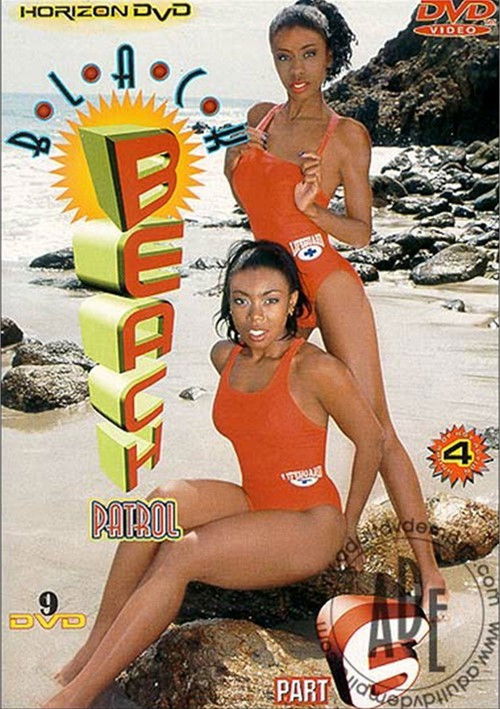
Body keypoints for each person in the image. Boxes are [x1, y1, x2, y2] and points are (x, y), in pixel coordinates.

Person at [43, 240, 383, 708]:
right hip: (254, 498)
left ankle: (78, 696)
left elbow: (372, 439)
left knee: (181, 553)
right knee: (160, 504)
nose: (255, 315)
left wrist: (350, 524)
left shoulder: (316, 368)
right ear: (228, 303)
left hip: (311, 520)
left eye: (270, 300)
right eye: (242, 301)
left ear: (292, 304)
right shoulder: (226, 358)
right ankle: (93, 647)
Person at [224, 0, 447, 614]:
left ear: (329, 58)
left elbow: (362, 232)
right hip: (277, 289)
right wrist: (234, 159)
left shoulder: (345, 136)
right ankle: (287, 529)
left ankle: (428, 569)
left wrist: (314, 208)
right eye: (283, 57)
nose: (296, 70)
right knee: (269, 412)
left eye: (309, 55)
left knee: (376, 425)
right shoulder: (259, 120)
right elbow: (251, 205)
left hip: (326, 280)